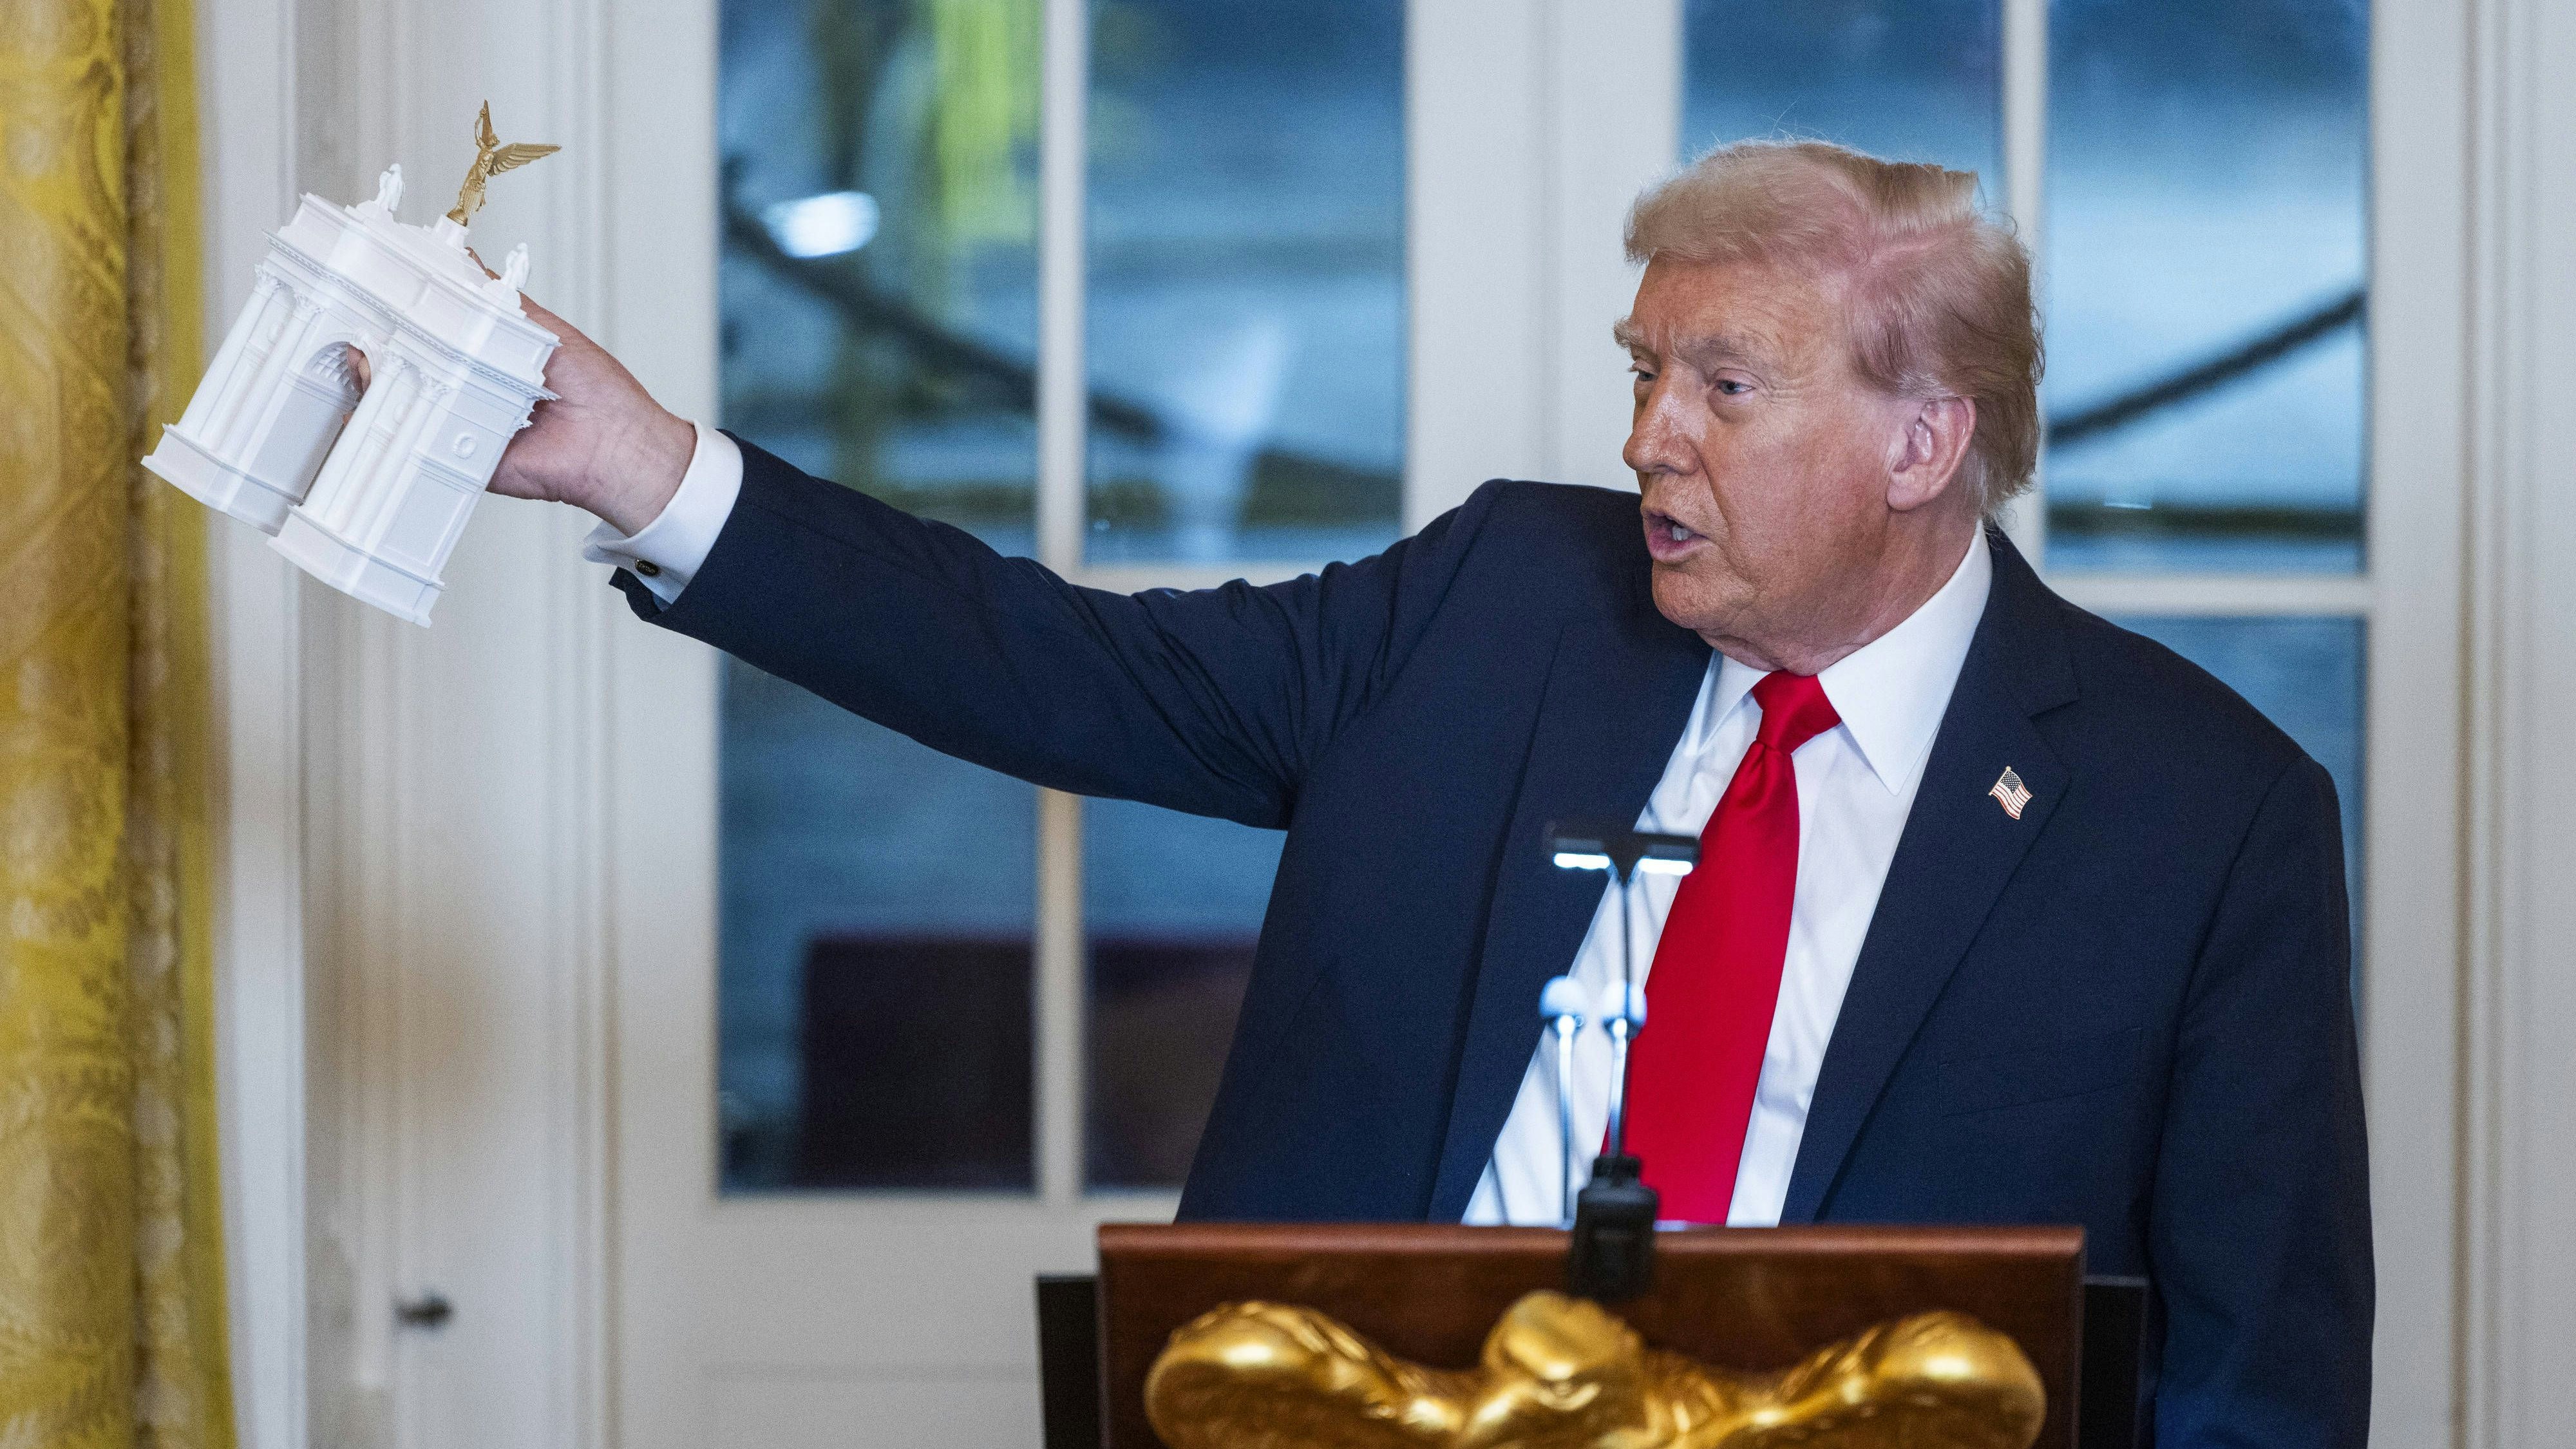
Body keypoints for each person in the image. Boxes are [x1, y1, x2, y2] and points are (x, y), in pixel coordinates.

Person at [492, 140, 2371, 1444]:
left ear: (1923, 439)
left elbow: (2256, 1393)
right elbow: (1062, 663)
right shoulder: (1496, 606)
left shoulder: (2204, 819)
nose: (1649, 435)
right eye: (1647, 372)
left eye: (1727, 385)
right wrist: (653, 472)